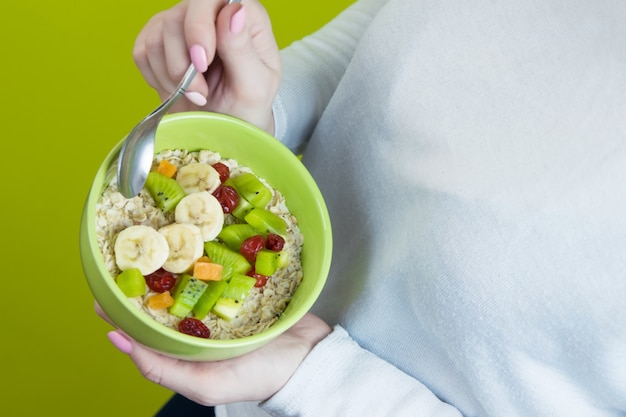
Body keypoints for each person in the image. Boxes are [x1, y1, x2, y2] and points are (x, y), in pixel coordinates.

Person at [98, 0, 626, 416]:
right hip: (232, 381)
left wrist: (314, 377)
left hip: (290, 380)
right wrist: (247, 105)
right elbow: (389, 35)